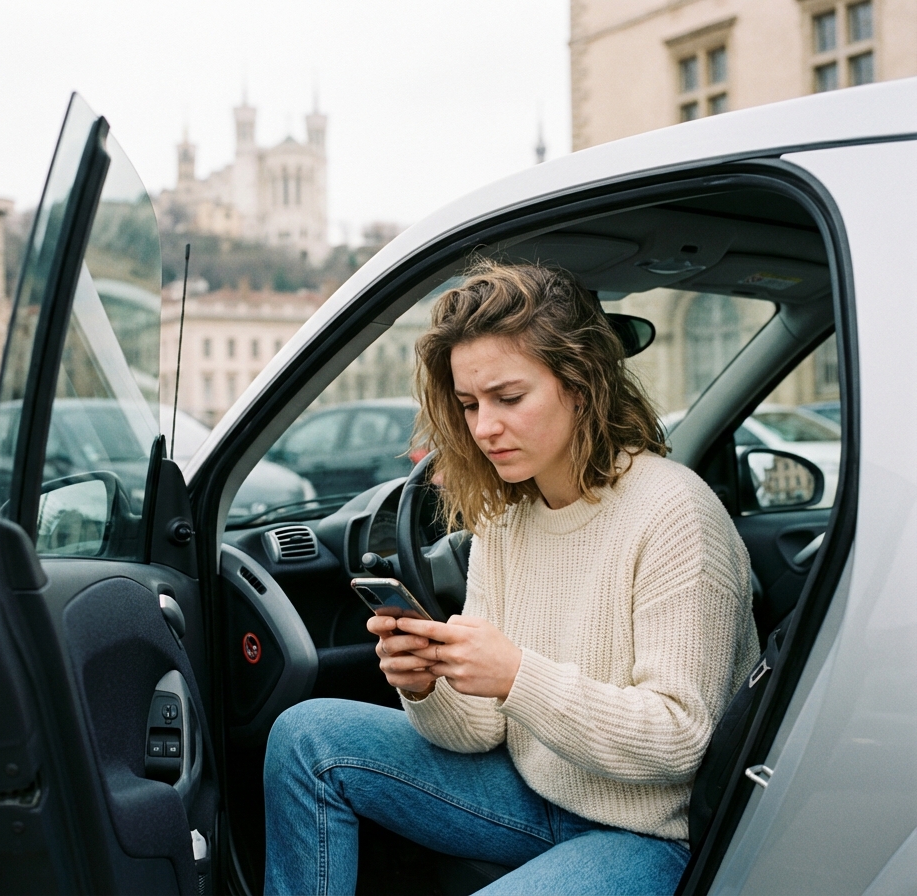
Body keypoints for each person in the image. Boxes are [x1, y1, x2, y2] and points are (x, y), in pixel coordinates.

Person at [263, 263, 759, 895]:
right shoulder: (506, 519)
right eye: (469, 405)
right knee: (305, 737)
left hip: (654, 833)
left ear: (580, 385)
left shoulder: (675, 513)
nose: (483, 428)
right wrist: (428, 685)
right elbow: (481, 730)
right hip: (533, 793)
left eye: (509, 398)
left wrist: (517, 675)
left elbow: (680, 739)